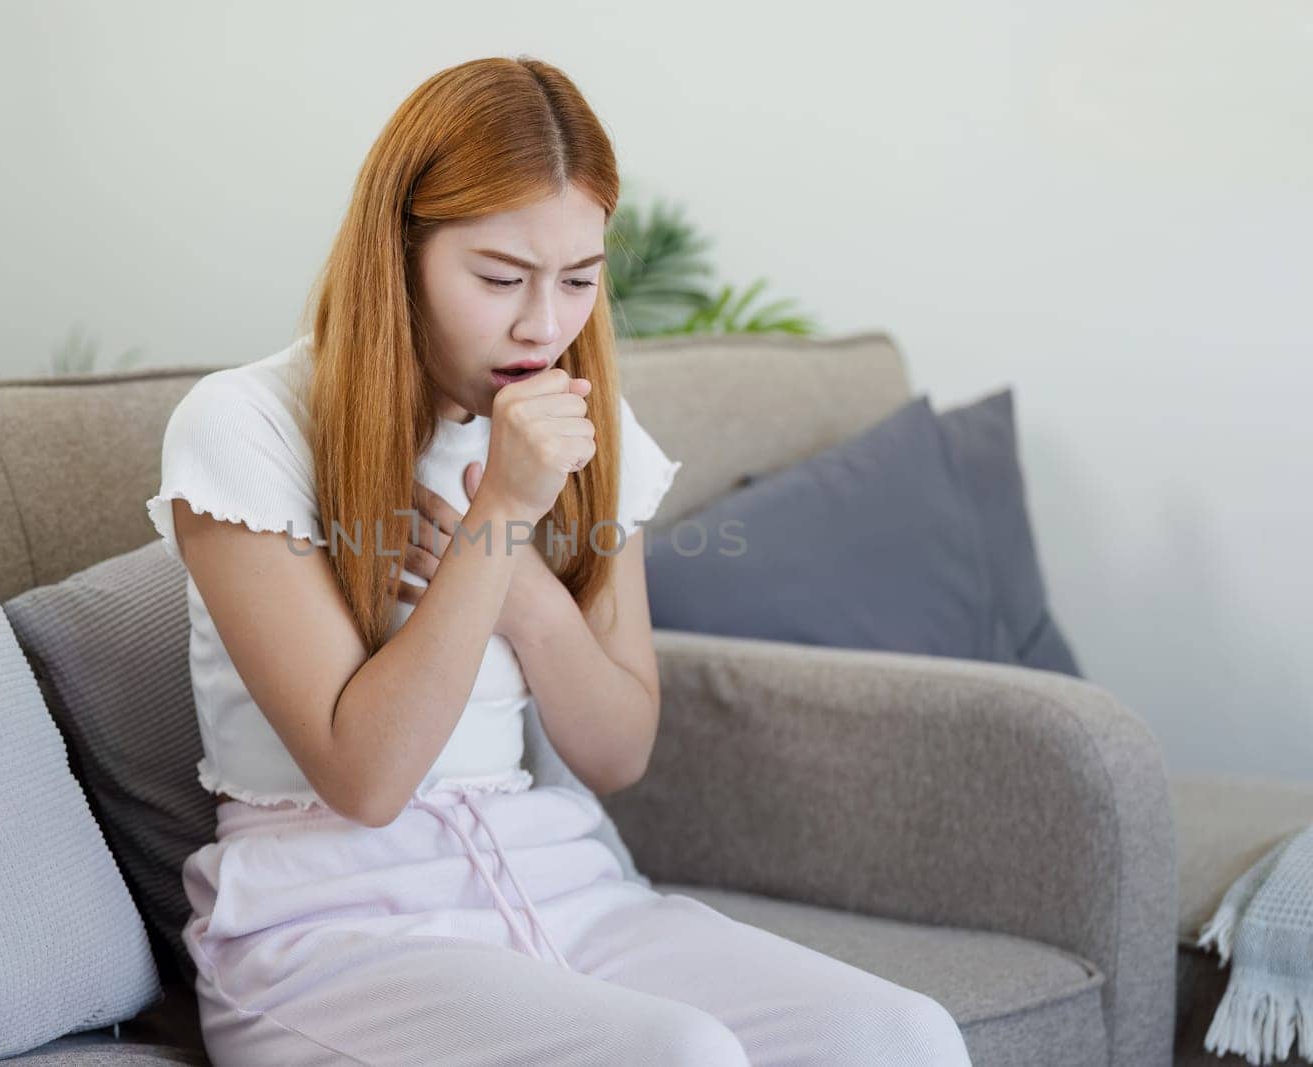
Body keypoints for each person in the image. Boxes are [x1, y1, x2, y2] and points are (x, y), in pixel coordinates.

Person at [144, 54, 972, 1067]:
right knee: (677, 1053)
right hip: (330, 923)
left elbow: (617, 750)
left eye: (578, 279)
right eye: (499, 278)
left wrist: (527, 597)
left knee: (903, 1034)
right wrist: (499, 513)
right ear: (397, 252)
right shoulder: (245, 426)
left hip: (555, 883)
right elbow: (365, 779)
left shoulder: (581, 423)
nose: (544, 325)